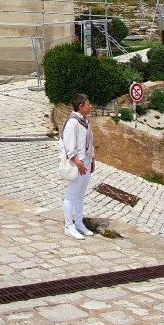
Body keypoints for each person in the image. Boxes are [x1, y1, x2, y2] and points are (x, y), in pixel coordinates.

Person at [60, 93, 95, 239]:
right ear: (80, 107)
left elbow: (89, 143)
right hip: (77, 163)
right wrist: (78, 162)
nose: (90, 106)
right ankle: (69, 225)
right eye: (88, 104)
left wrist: (91, 159)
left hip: (85, 161)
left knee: (80, 195)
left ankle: (79, 222)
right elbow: (69, 146)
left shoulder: (85, 121)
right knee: (71, 195)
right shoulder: (72, 123)